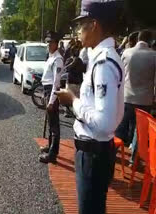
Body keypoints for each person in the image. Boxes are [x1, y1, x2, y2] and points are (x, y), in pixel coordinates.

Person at [56, 0, 125, 213]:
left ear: (94, 25)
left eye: (81, 24)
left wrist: (73, 101)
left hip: (93, 153)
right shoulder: (101, 58)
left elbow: (104, 123)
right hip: (95, 151)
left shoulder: (104, 63)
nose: (78, 30)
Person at [115, 30, 156, 165]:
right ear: (150, 41)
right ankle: (134, 160)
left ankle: (111, 153)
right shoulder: (153, 56)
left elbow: (120, 73)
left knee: (121, 127)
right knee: (140, 132)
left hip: (127, 96)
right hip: (145, 99)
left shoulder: (127, 53)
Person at [39, 32, 64, 164]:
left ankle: (53, 154)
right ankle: (50, 147)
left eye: (51, 42)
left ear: (56, 44)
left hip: (52, 92)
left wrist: (51, 101)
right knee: (50, 124)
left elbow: (56, 83)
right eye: (48, 42)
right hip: (47, 91)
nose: (48, 45)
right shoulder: (51, 57)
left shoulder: (57, 59)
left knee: (54, 126)